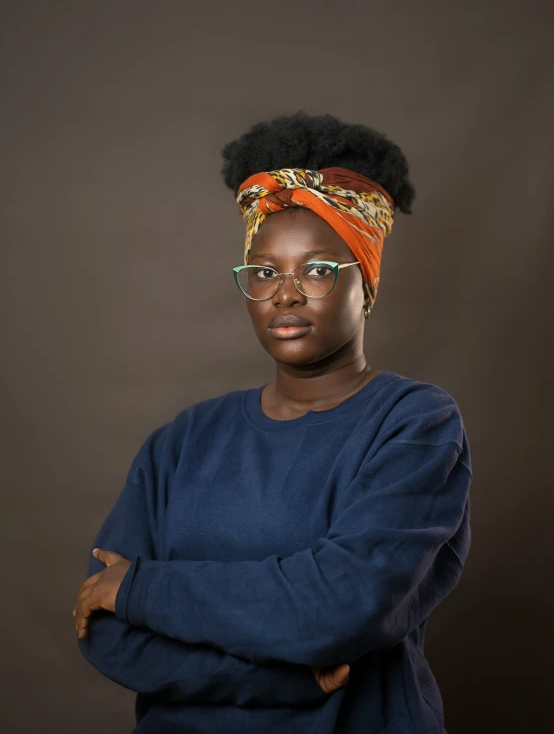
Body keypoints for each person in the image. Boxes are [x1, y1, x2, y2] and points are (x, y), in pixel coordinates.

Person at [74, 111, 472, 734]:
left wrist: (146, 590)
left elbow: (339, 606)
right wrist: (271, 679)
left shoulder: (414, 424)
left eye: (316, 269)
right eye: (263, 272)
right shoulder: (183, 442)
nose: (284, 294)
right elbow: (103, 628)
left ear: (364, 282)